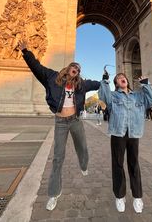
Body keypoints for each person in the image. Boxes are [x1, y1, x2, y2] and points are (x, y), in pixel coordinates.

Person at [18, 40, 100, 211]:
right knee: (58, 157)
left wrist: (105, 81)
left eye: (79, 69)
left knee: (82, 148)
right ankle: (54, 194)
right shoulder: (51, 77)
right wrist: (26, 51)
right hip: (61, 123)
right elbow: (36, 67)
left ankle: (84, 165)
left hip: (76, 121)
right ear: (69, 68)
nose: (76, 69)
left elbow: (95, 83)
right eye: (74, 66)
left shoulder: (81, 85)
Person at [98, 72, 152, 214]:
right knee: (118, 164)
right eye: (117, 78)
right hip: (118, 133)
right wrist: (105, 81)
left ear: (127, 80)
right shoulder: (113, 96)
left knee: (134, 164)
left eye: (123, 77)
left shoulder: (138, 95)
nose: (121, 78)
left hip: (134, 133)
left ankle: (137, 197)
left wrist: (146, 84)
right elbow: (103, 96)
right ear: (116, 83)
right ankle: (120, 196)